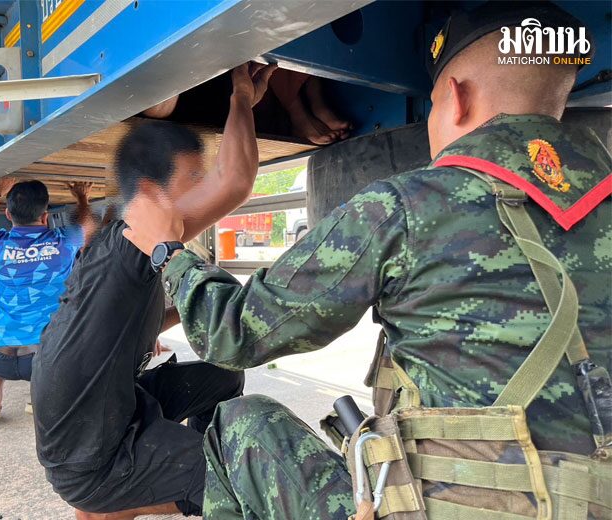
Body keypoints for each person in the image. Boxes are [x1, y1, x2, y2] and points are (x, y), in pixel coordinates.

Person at [123, 2, 610, 519]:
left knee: (238, 426)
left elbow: (232, 335)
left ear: (456, 97)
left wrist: (169, 252)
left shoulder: (409, 206)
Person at [31, 62, 276, 519]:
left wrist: (197, 304)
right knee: (246, 476)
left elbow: (131, 327)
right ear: (149, 191)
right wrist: (241, 96)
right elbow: (235, 183)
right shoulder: (132, 238)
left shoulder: (123, 249)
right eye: (193, 179)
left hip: (112, 410)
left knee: (223, 377)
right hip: (92, 459)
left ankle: (183, 472)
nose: (202, 190)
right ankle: (132, 499)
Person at [0, 179, 92, 421]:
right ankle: (40, 398)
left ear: (8, 214)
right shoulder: (64, 242)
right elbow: (86, 225)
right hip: (44, 361)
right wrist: (82, 198)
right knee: (69, 339)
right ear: (45, 217)